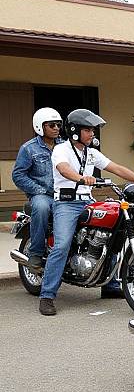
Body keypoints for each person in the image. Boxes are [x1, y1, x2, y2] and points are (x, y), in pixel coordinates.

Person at [38, 109, 134, 316]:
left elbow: (115, 167)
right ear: (74, 131)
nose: (92, 134)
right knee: (62, 245)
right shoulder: (61, 150)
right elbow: (64, 169)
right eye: (88, 130)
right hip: (66, 204)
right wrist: (81, 178)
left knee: (114, 234)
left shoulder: (91, 153)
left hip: (88, 201)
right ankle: (47, 295)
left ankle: (108, 285)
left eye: (93, 130)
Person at [12, 108, 64, 270]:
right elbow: (18, 175)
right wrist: (39, 190)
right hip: (42, 194)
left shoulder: (65, 146)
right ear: (40, 127)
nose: (56, 128)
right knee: (41, 208)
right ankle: (35, 253)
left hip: (65, 193)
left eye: (58, 125)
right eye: (52, 125)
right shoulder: (29, 148)